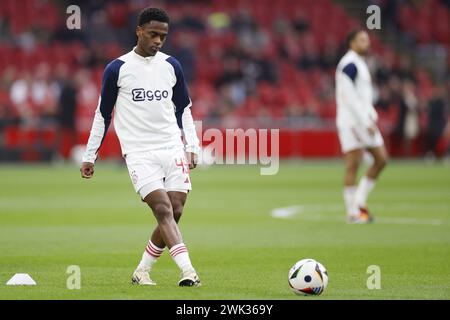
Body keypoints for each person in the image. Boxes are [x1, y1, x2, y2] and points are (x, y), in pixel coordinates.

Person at [80, 8, 201, 286]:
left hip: (171, 147)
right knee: (162, 208)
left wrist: (192, 144)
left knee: (176, 209)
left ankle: (142, 270)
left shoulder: (172, 66)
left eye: (163, 36)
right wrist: (90, 155)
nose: (159, 40)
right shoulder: (118, 69)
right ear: (139, 31)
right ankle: (188, 271)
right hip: (139, 153)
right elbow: (103, 114)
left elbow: (184, 109)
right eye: (153, 34)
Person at [335, 29, 388, 223]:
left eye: (367, 39)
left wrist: (370, 117)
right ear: (352, 43)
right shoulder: (349, 64)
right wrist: (365, 121)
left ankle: (359, 202)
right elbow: (349, 97)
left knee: (381, 159)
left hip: (363, 120)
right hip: (352, 122)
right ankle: (353, 212)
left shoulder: (359, 63)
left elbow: (362, 98)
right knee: (354, 163)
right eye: (362, 40)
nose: (367, 43)